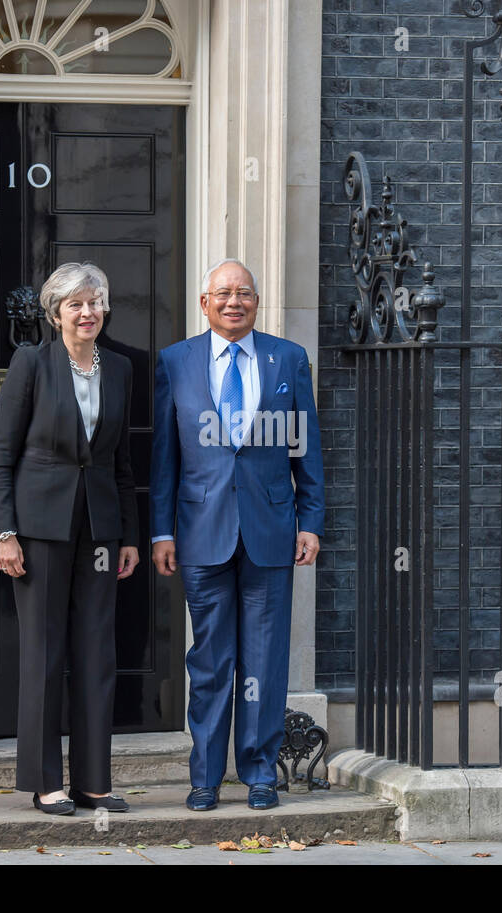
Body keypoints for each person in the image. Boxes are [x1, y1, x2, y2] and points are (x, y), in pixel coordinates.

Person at [150, 258, 325, 811]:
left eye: (244, 293)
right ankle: (204, 776)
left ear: (257, 302)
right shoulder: (175, 362)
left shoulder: (288, 359)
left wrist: (311, 521)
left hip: (272, 531)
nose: (233, 302)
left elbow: (306, 449)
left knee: (265, 661)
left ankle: (259, 774)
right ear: (205, 304)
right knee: (210, 661)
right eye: (222, 293)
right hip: (201, 534)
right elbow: (164, 459)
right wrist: (161, 532)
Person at [0, 261, 140, 815]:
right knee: (44, 654)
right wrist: (5, 532)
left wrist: (127, 534)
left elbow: (121, 462)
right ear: (55, 314)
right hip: (38, 529)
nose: (87, 312)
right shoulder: (31, 364)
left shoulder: (120, 369)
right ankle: (45, 780)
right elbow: (1, 458)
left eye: (94, 302)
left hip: (99, 528)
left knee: (98, 653)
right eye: (74, 304)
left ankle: (94, 780)